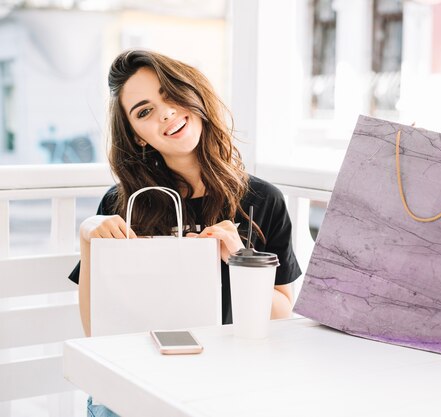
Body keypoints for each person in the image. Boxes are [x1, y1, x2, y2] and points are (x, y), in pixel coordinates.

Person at [68, 49, 302, 416]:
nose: (165, 112)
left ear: (193, 92)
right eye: (144, 111)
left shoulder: (262, 199)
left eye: (170, 93)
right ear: (138, 137)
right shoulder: (123, 204)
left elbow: (281, 314)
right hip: (137, 380)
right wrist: (88, 240)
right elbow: (96, 328)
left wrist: (241, 260)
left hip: (227, 384)